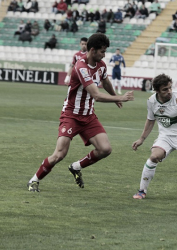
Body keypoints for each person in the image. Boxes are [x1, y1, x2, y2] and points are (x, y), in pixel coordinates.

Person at [27, 33, 134, 192]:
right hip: (71, 115)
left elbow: (105, 81)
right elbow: (96, 95)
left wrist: (113, 96)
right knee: (59, 154)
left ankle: (76, 167)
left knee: (105, 149)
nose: (104, 55)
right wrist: (120, 97)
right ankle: (34, 180)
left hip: (88, 115)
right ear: (92, 50)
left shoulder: (101, 65)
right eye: (102, 51)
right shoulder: (81, 67)